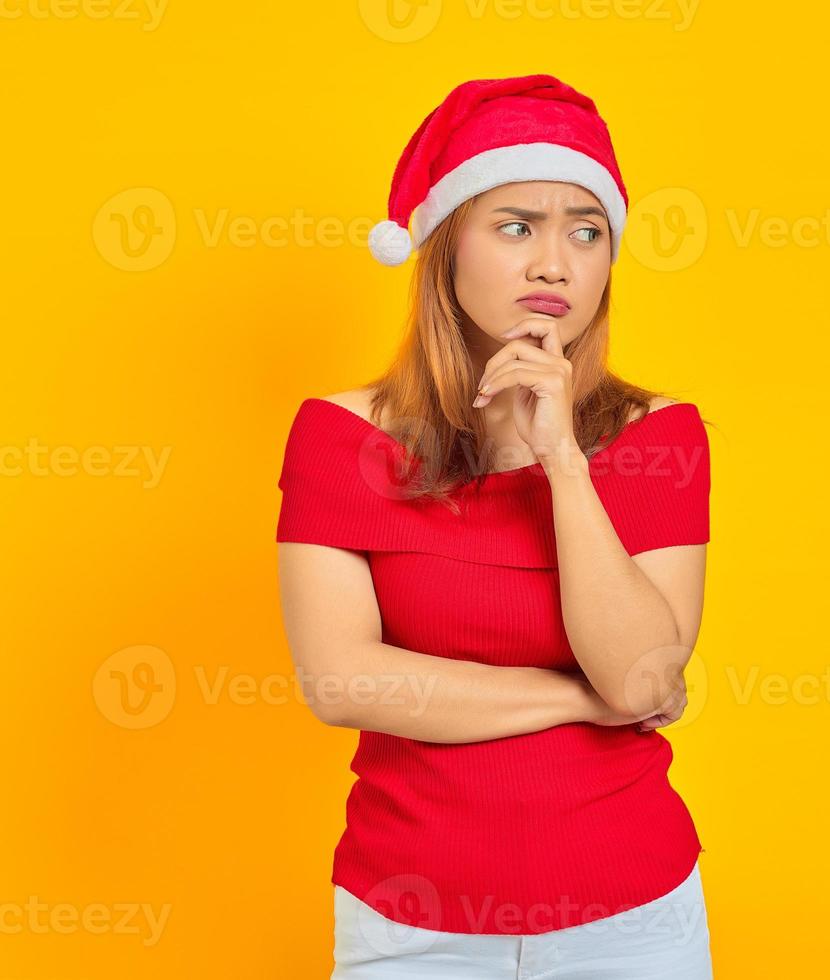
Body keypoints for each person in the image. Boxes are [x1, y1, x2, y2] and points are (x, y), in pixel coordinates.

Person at [274, 74, 714, 978]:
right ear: (444, 247)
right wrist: (582, 700)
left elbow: (638, 672)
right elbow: (343, 682)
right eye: (516, 226)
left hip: (632, 919)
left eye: (585, 231)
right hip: (410, 922)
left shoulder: (659, 439)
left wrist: (560, 462)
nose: (554, 262)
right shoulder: (340, 437)